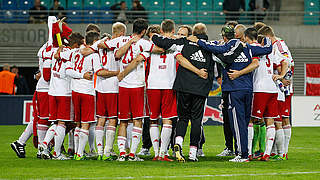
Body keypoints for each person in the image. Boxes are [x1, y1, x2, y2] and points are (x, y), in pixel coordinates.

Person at [152, 23, 240, 162]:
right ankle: (193, 152)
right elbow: (225, 60)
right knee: (196, 121)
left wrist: (156, 35)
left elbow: (160, 41)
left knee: (183, 118)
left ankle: (178, 144)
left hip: (183, 86)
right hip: (201, 89)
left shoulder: (183, 42)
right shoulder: (212, 47)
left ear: (193, 33)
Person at [192, 25, 273, 162]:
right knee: (245, 123)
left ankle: (242, 154)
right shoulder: (248, 48)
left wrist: (198, 41)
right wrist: (267, 38)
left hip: (234, 89)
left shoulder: (225, 47)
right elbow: (268, 49)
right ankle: (245, 152)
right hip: (248, 89)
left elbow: (215, 49)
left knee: (238, 122)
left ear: (224, 37)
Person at [257, 26, 289, 161]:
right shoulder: (273, 47)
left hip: (274, 88)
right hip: (275, 87)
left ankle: (281, 153)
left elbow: (286, 61)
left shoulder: (278, 45)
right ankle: (273, 152)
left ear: (267, 37)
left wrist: (283, 77)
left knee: (277, 120)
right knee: (273, 120)